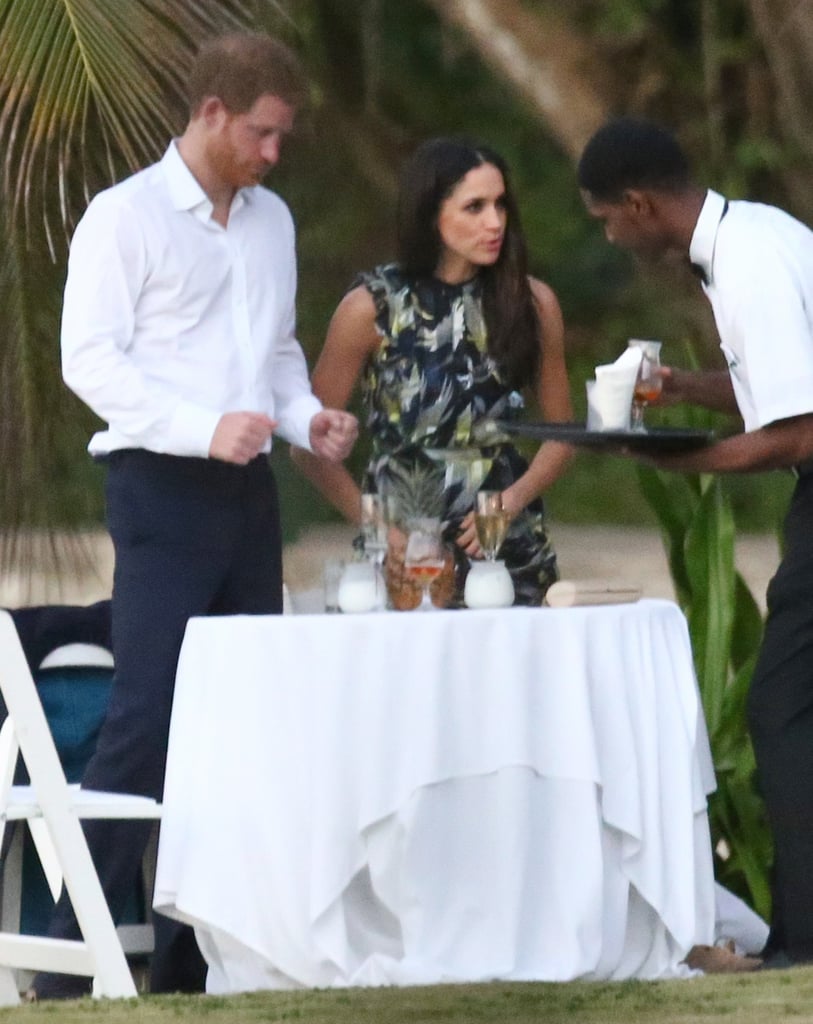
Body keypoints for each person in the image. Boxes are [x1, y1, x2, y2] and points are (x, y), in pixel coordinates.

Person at [29, 33, 358, 1000]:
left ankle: (190, 959)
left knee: (242, 719)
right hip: (157, 488)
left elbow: (280, 355)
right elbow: (87, 361)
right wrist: (199, 427)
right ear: (212, 111)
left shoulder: (273, 222)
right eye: (261, 133)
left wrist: (309, 420)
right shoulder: (122, 219)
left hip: (250, 495)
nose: (271, 153)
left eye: (282, 138)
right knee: (146, 716)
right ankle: (67, 959)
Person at [577, 115, 813, 969]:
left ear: (639, 204)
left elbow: (798, 432)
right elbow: (770, 391)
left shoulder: (745, 262)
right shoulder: (757, 233)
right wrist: (685, 391)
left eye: (607, 218)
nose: (610, 234)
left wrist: (684, 463)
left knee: (781, 709)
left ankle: (800, 948)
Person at [292, 137, 573, 607]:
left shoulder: (532, 302)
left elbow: (563, 433)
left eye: (501, 205)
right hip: (399, 557)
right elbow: (308, 443)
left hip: (504, 553)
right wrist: (380, 531)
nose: (494, 222)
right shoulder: (372, 308)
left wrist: (512, 501)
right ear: (431, 214)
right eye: (475, 207)